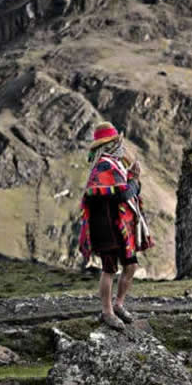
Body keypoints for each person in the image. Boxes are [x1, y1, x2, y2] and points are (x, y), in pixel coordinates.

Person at [78, 122, 153, 330]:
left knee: (131, 265)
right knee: (109, 269)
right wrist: (135, 181)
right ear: (111, 144)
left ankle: (119, 304)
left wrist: (132, 180)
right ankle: (107, 311)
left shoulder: (115, 165)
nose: (121, 145)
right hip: (105, 226)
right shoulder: (104, 165)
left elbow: (123, 191)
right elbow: (121, 194)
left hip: (119, 224)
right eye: (117, 141)